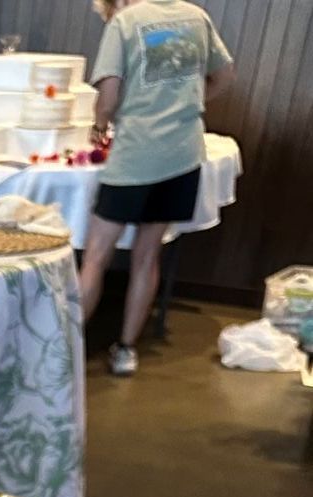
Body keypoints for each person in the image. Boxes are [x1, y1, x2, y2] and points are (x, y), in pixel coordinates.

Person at [79, 0, 233, 376]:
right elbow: (225, 76)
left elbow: (109, 95)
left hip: (136, 153)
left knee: (97, 255)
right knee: (148, 257)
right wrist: (187, 105)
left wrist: (100, 124)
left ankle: (67, 349)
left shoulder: (125, 23)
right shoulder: (197, 17)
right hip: (183, 155)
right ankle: (126, 350)